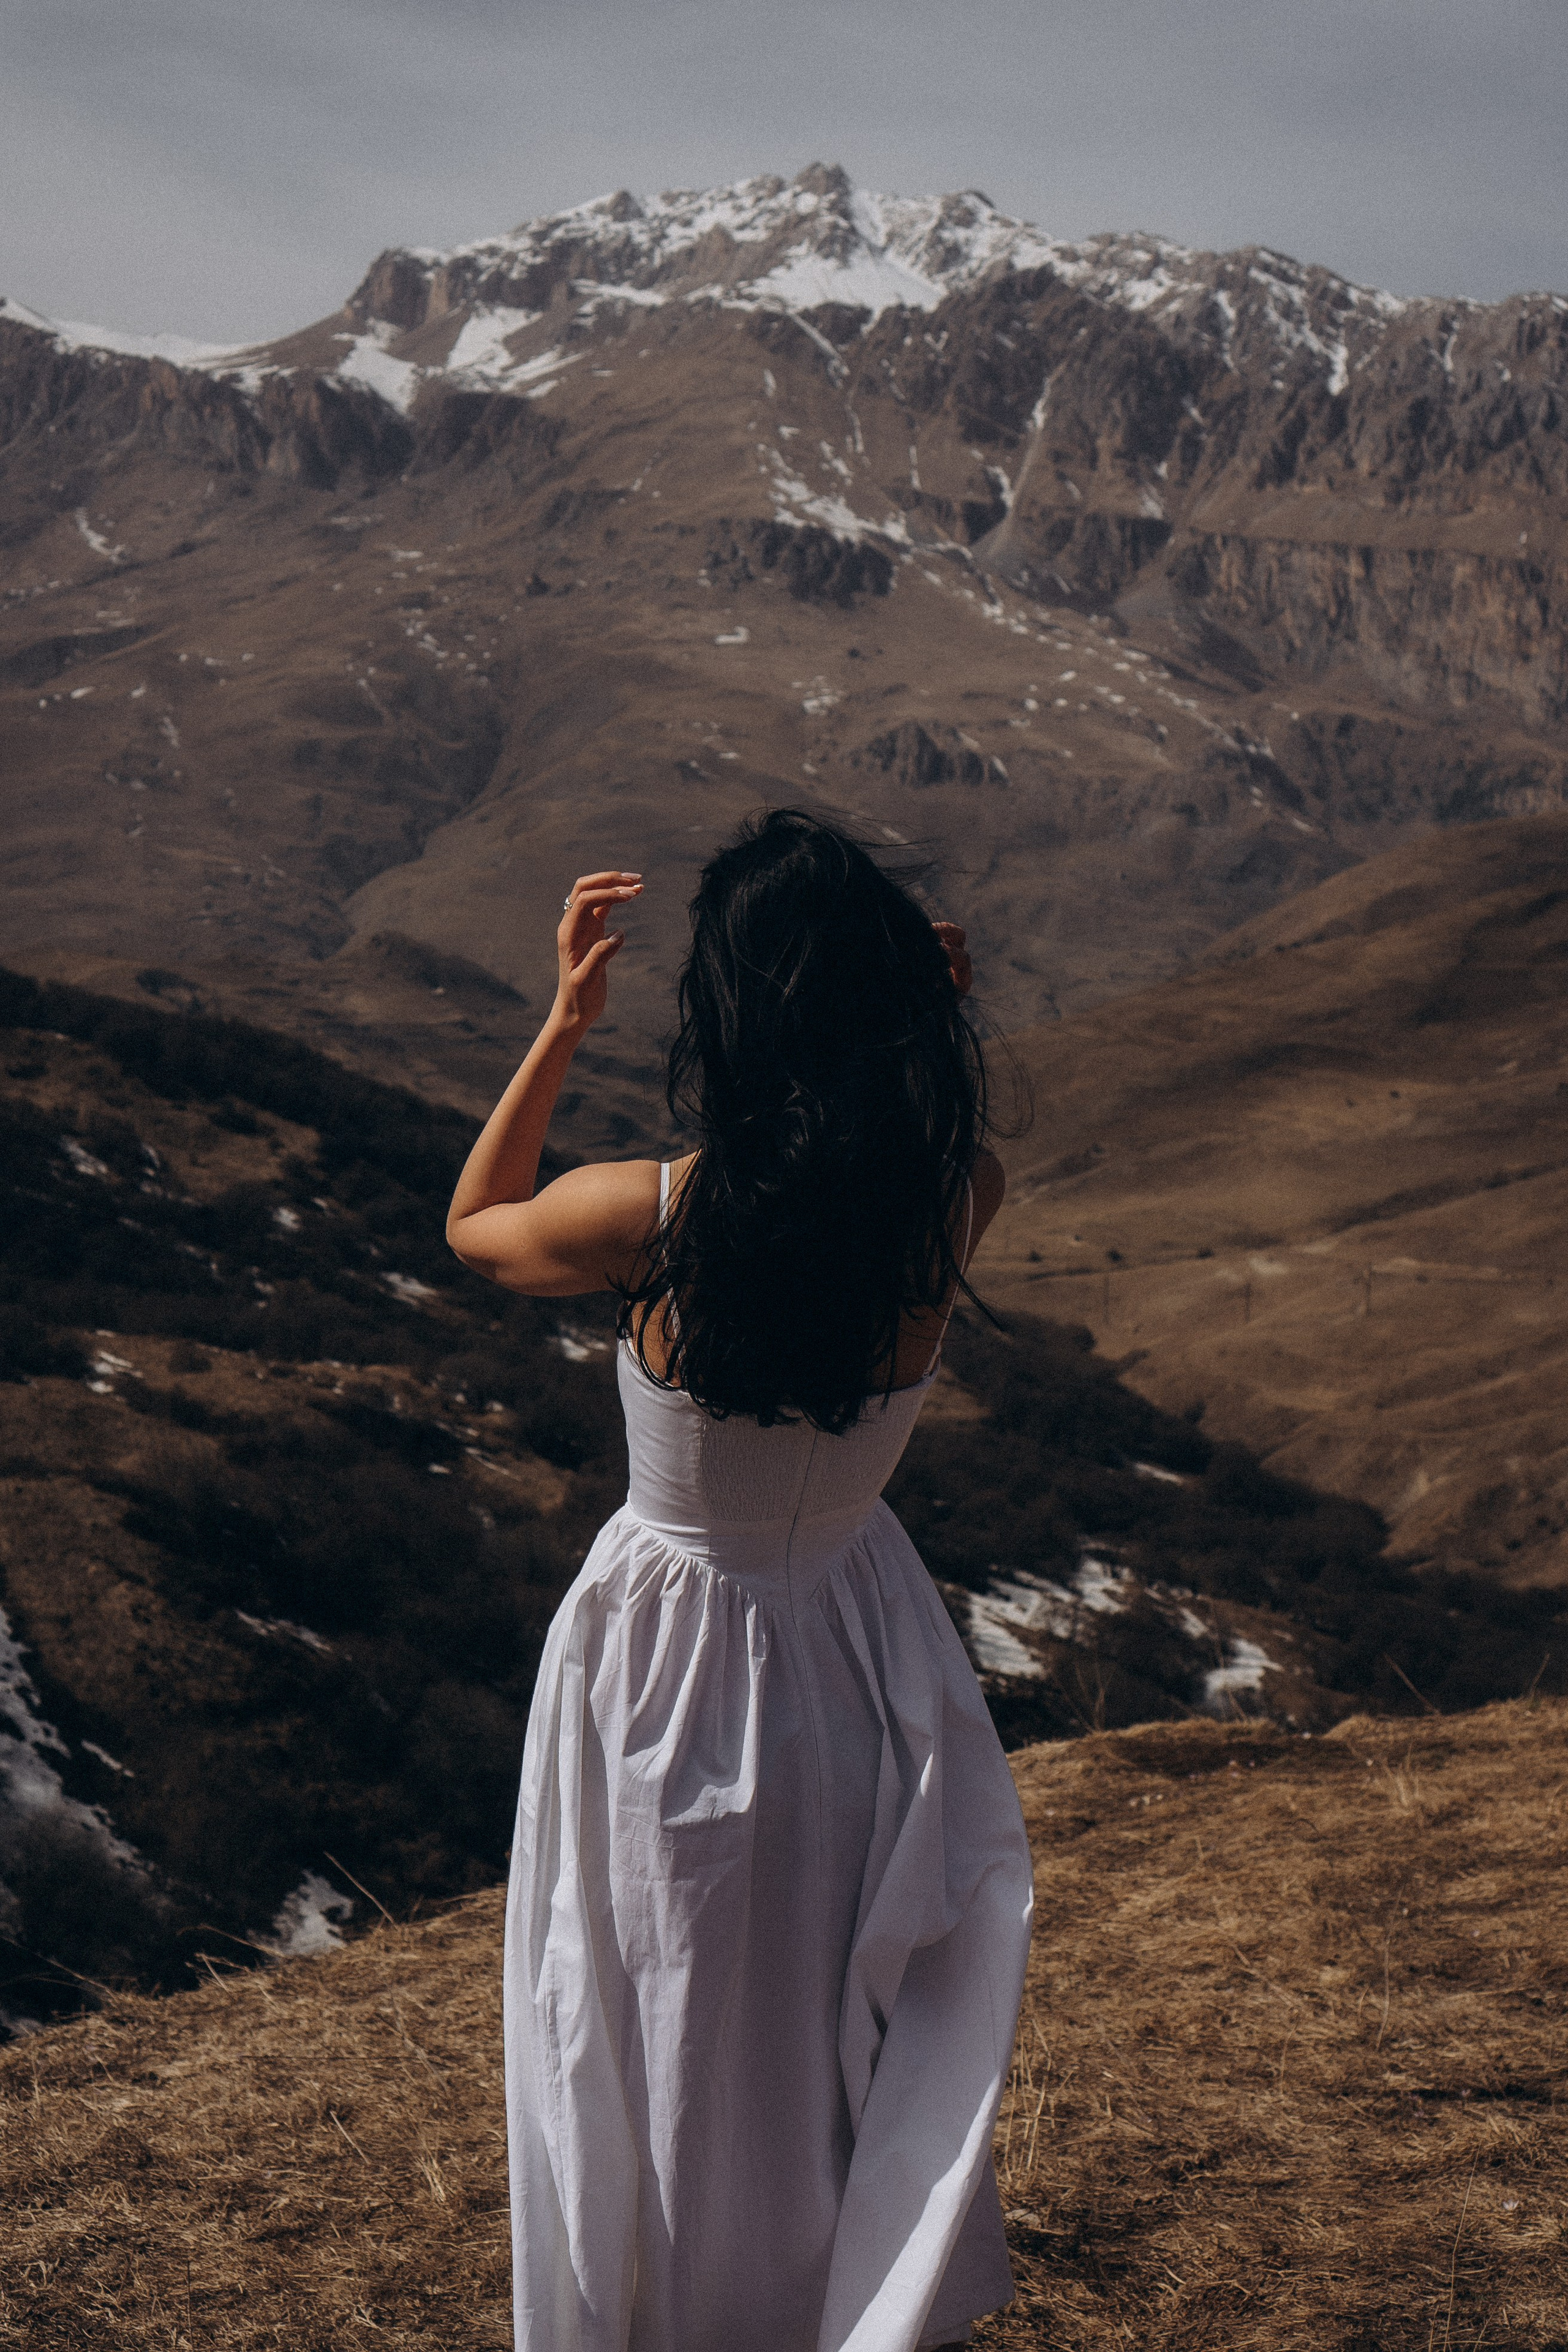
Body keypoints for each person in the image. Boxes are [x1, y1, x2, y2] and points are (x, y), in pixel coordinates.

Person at [447, 812, 1035, 2352]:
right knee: (825, 2029)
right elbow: (905, 1120)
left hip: (662, 1662)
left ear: (730, 1014)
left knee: (652, 2021)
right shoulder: (950, 1192)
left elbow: (471, 1225)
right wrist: (921, 1018)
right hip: (855, 1636)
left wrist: (562, 1020)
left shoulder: (645, 1219)